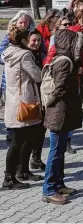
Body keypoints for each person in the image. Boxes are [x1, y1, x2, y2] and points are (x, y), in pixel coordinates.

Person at [42, 29, 83, 205]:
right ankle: (49, 189)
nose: (78, 46)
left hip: (63, 112)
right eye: (75, 42)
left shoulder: (67, 60)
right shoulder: (64, 62)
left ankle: (59, 184)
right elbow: (59, 88)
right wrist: (51, 101)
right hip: (59, 112)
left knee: (59, 151)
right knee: (55, 152)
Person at [2, 28, 43, 190]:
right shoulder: (24, 55)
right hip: (25, 102)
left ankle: (22, 171)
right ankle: (9, 178)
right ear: (24, 40)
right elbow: (37, 76)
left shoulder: (8, 52)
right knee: (18, 142)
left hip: (13, 101)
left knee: (26, 139)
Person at [26, 30, 47, 172]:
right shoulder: (27, 56)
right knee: (30, 133)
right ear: (27, 40)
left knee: (41, 131)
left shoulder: (39, 55)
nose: (36, 43)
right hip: (31, 98)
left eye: (39, 41)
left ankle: (36, 158)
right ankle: (23, 165)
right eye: (33, 40)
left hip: (41, 97)